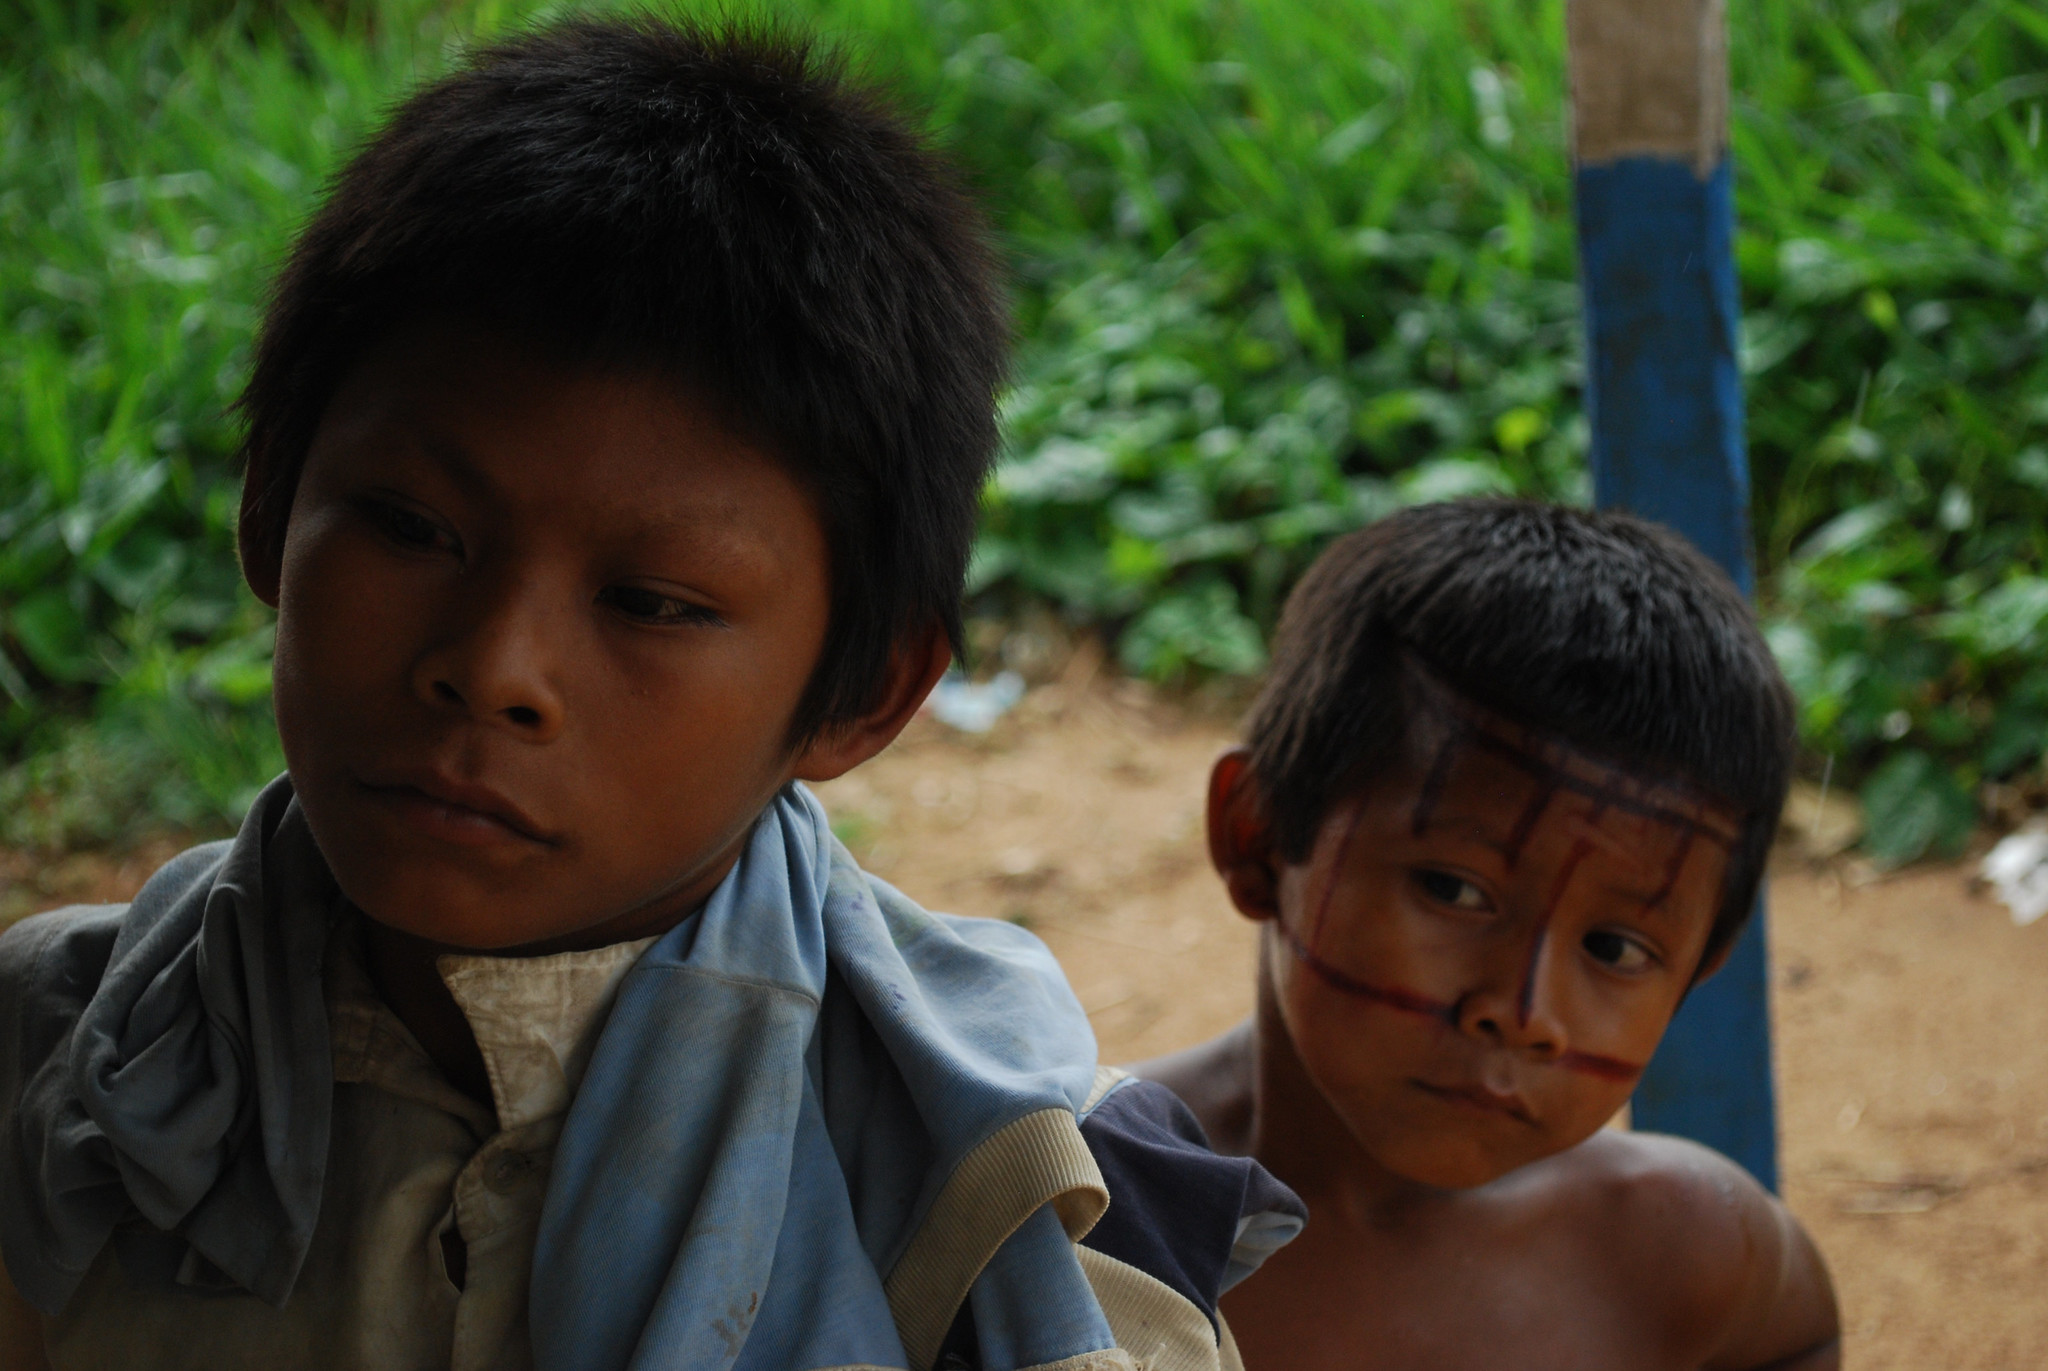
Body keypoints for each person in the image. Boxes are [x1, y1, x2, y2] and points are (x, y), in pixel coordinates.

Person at [0, 18, 1301, 1371]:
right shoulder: (51, 1059)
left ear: (864, 694)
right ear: (270, 505)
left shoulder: (1030, 1200)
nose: (494, 666)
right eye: (411, 525)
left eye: (651, 604)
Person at [1137, 499, 1841, 1370]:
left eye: (1614, 948)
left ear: (1697, 970)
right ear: (1258, 837)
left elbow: (1795, 1335)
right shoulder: (1065, 1202)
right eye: (1453, 888)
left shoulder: (1678, 1251)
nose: (1520, 1010)